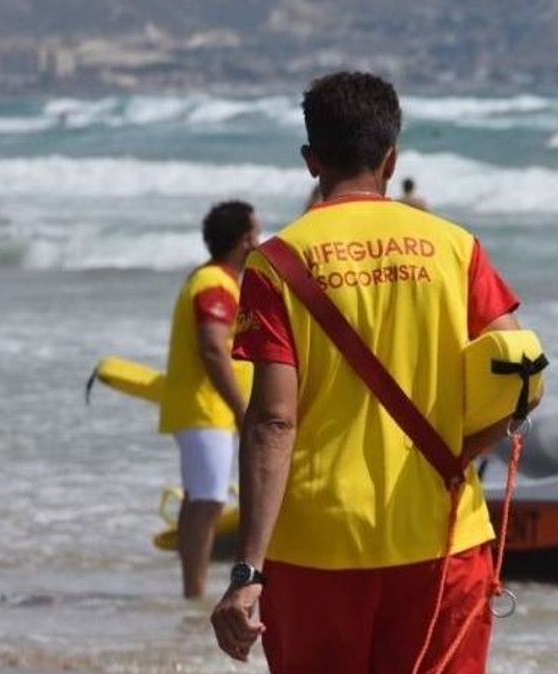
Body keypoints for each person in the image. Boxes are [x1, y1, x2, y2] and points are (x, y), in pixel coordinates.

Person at [211, 71, 531, 673]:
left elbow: (273, 422)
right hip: (444, 541)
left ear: (311, 160)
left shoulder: (276, 262)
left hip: (317, 549)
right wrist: (459, 456)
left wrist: (248, 572)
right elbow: (520, 378)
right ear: (392, 157)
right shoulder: (456, 247)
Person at [159, 201, 260, 599]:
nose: (259, 241)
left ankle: (192, 590)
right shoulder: (215, 284)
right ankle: (195, 592)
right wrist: (239, 407)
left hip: (202, 406)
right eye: (255, 233)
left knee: (199, 500)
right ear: (243, 240)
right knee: (208, 502)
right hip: (207, 407)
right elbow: (214, 348)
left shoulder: (209, 279)